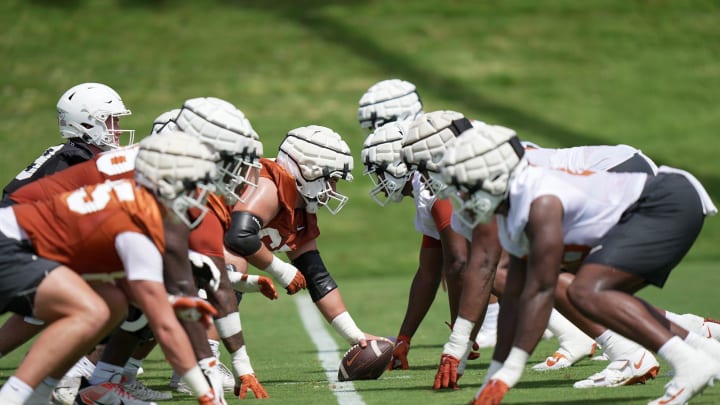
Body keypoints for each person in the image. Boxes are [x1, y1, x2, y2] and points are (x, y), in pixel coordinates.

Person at [436, 123, 720, 405]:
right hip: (656, 204)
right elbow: (513, 299)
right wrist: (495, 376)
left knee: (585, 292)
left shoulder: (540, 201)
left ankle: (691, 364)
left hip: (666, 203)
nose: (461, 198)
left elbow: (541, 293)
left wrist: (508, 374)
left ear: (495, 177)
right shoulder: (512, 210)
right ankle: (707, 352)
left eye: (466, 188)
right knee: (593, 294)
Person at [0, 132, 224, 405]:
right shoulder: (139, 221)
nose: (198, 194)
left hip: (21, 246)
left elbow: (132, 289)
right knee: (88, 309)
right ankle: (13, 398)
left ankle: (39, 394)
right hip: (11, 245)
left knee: (113, 302)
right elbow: (165, 327)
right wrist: (206, 394)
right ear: (168, 182)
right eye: (193, 184)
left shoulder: (134, 201)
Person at [224, 124, 384, 350]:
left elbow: (316, 276)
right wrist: (281, 270)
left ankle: (202, 360)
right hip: (186, 241)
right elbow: (238, 236)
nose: (334, 189)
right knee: (232, 268)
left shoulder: (299, 207)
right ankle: (202, 362)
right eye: (332, 179)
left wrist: (354, 335)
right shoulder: (268, 186)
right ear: (309, 170)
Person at [360, 120, 472, 370]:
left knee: (493, 269)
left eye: (379, 171)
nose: (378, 180)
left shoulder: (430, 185)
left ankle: (570, 334)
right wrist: (404, 338)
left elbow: (458, 263)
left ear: (397, 165)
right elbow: (429, 272)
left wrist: (460, 335)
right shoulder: (424, 190)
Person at [2, 82, 134, 200]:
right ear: (87, 125)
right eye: (112, 122)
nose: (119, 131)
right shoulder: (72, 161)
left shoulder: (68, 154)